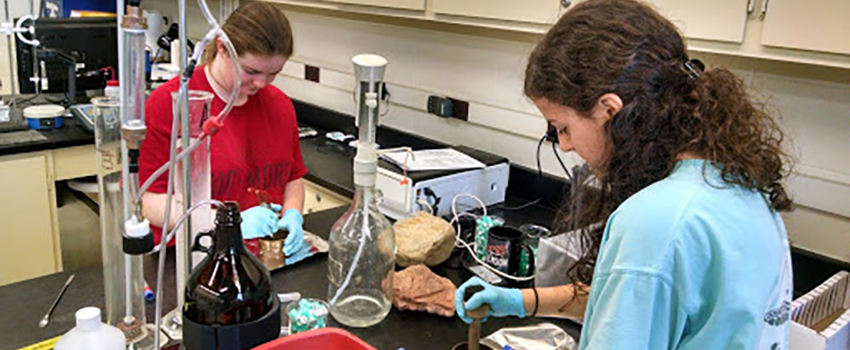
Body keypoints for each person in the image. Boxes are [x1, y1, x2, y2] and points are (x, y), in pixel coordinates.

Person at [455, 0, 794, 349]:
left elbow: (637, 290)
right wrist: (522, 301)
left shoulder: (655, 221)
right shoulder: (739, 183)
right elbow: (636, 301)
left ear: (609, 110)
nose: (565, 145)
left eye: (562, 127)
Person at [139, 2, 312, 264]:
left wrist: (292, 215)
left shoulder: (279, 106)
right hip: (195, 258)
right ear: (222, 48)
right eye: (251, 71)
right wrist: (224, 224)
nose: (261, 84)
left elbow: (293, 178)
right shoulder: (172, 104)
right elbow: (148, 202)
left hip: (265, 260)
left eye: (273, 73)